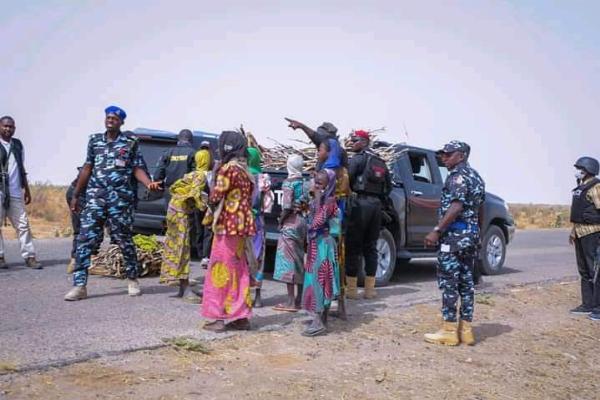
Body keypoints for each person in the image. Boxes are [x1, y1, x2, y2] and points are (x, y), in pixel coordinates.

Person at [64, 106, 160, 301]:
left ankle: (133, 279)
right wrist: (76, 194)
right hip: (95, 198)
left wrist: (148, 183)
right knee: (85, 239)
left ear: (121, 123)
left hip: (120, 200)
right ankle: (79, 285)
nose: (111, 120)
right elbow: (87, 167)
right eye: (108, 117)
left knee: (123, 239)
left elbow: (137, 168)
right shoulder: (94, 141)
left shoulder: (130, 143)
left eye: (115, 119)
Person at [423, 141, 485, 346]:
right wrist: (479, 235)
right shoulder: (476, 177)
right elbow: (480, 209)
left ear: (462, 155)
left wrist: (437, 230)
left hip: (454, 238)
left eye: (448, 155)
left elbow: (456, 206)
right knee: (467, 283)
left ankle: (449, 330)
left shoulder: (457, 177)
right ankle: (466, 331)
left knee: (450, 284)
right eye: (443, 154)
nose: (444, 158)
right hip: (470, 237)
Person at [201, 131, 256, 332]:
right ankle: (240, 317)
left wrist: (213, 180)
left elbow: (216, 196)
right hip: (241, 227)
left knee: (219, 270)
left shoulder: (227, 170)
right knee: (239, 270)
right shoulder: (245, 172)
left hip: (227, 226)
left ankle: (218, 317)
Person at [345, 130, 391, 299]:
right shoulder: (380, 161)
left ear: (364, 142)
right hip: (376, 206)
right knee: (371, 247)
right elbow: (389, 187)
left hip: (359, 205)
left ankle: (351, 291)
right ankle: (370, 290)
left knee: (353, 247)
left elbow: (346, 179)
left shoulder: (358, 159)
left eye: (355, 140)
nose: (352, 143)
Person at [160, 164, 209, 298]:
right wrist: (205, 205)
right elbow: (194, 194)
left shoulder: (195, 174)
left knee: (178, 247)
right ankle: (186, 287)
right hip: (179, 213)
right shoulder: (201, 176)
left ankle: (183, 287)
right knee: (182, 249)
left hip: (175, 211)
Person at [302, 169, 341, 336]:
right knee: (317, 279)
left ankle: (318, 321)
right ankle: (321, 319)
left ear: (329, 185)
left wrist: (317, 200)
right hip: (316, 244)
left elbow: (317, 222)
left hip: (323, 245)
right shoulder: (320, 199)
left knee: (320, 280)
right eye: (315, 182)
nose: (317, 186)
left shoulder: (329, 200)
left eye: (320, 183)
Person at [0, 116, 40, 269]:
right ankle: (0, 256)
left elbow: (21, 168)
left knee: (23, 225)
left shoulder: (17, 145)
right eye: (5, 126)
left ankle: (30, 256)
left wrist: (27, 189)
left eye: (11, 127)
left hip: (16, 191)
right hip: (0, 190)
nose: (8, 129)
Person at [273, 154, 308, 312]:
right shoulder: (304, 183)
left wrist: (280, 221)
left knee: (288, 262)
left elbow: (287, 206)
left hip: (290, 223)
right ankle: (300, 299)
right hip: (302, 223)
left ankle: (290, 302)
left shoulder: (288, 183)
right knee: (299, 260)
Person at [568, 156, 600, 321]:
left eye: (580, 168)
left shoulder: (596, 187)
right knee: (584, 271)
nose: (577, 172)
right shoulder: (581, 188)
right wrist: (573, 232)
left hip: (593, 233)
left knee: (595, 271)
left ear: (588, 170)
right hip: (580, 233)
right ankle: (587, 304)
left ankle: (598, 307)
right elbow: (578, 213)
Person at [247, 147, 274, 307]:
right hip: (258, 221)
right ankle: (257, 297)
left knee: (243, 257)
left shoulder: (241, 175)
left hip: (242, 221)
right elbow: (267, 205)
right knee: (258, 257)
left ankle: (243, 295)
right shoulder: (263, 178)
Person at [154, 129, 196, 206]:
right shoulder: (193, 153)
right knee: (183, 215)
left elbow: (158, 173)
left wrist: (160, 184)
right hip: (185, 190)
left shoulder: (168, 152)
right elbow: (196, 173)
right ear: (191, 140)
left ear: (179, 139)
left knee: (170, 214)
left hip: (170, 190)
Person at [194, 140, 214, 267]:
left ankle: (200, 253)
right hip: (208, 206)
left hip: (196, 205)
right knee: (207, 230)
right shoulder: (211, 175)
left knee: (198, 229)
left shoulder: (193, 175)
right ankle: (205, 256)